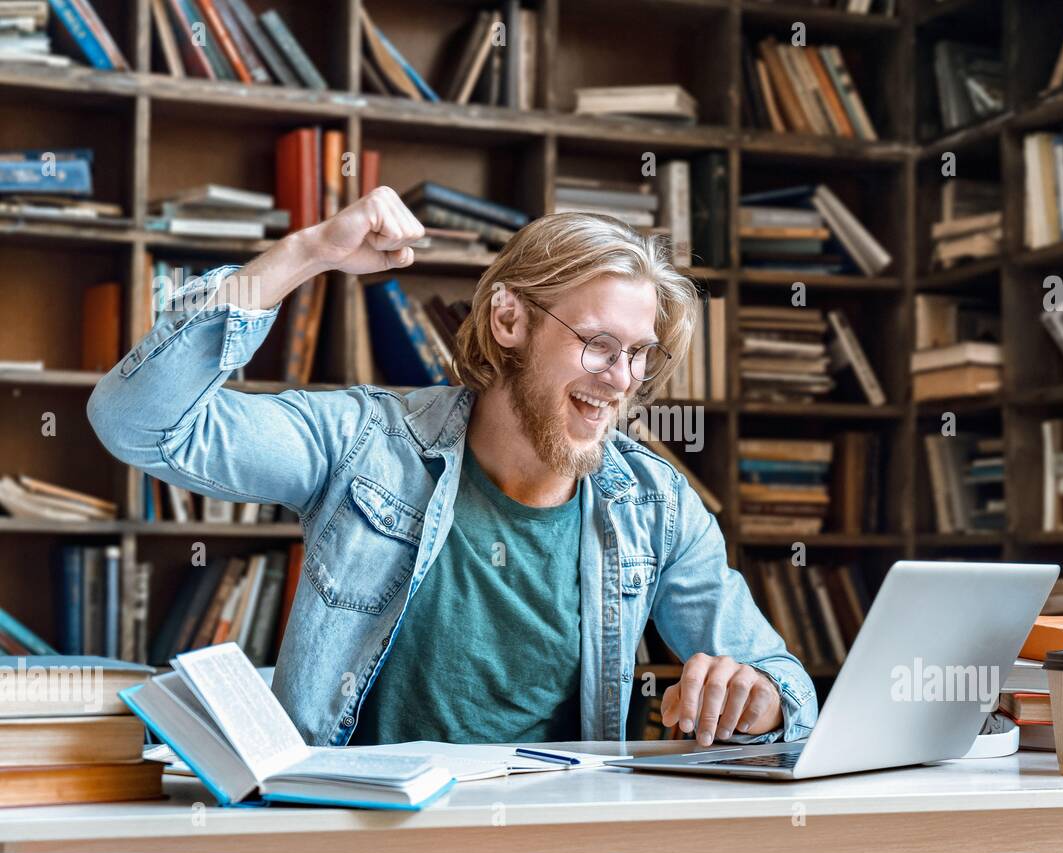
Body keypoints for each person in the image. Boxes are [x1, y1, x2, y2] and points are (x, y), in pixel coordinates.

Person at [87, 187, 818, 748]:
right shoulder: (363, 443)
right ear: (509, 320)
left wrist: (762, 701)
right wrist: (307, 251)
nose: (623, 379)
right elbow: (137, 419)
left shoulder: (656, 507)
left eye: (637, 354)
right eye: (599, 344)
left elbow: (787, 688)